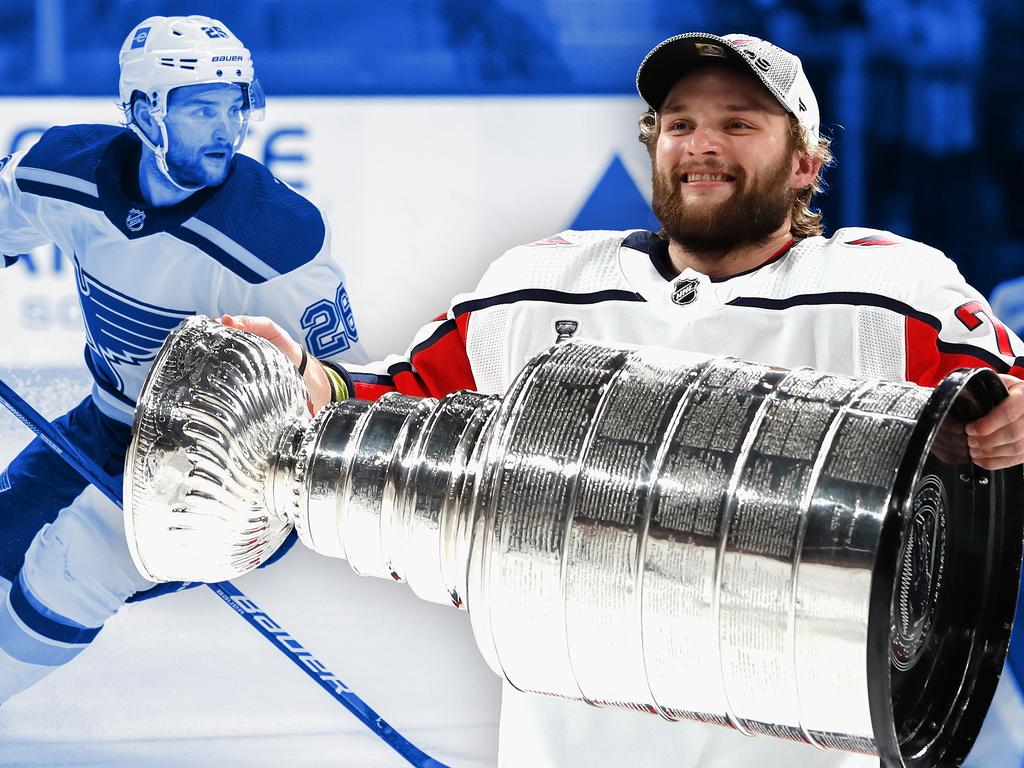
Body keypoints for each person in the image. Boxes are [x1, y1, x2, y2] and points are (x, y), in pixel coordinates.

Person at [228, 32, 1024, 768]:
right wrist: (309, 376)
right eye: (679, 124)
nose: (701, 145)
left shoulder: (884, 296)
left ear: (806, 163)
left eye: (740, 124)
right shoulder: (541, 286)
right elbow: (401, 398)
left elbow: (1006, 399)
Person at [0, 15, 365, 703]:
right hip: (108, 425)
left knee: (75, 562)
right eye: (201, 109)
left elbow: (353, 393)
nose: (226, 128)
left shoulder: (275, 241)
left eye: (235, 107)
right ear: (143, 111)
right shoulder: (63, 173)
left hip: (233, 468)